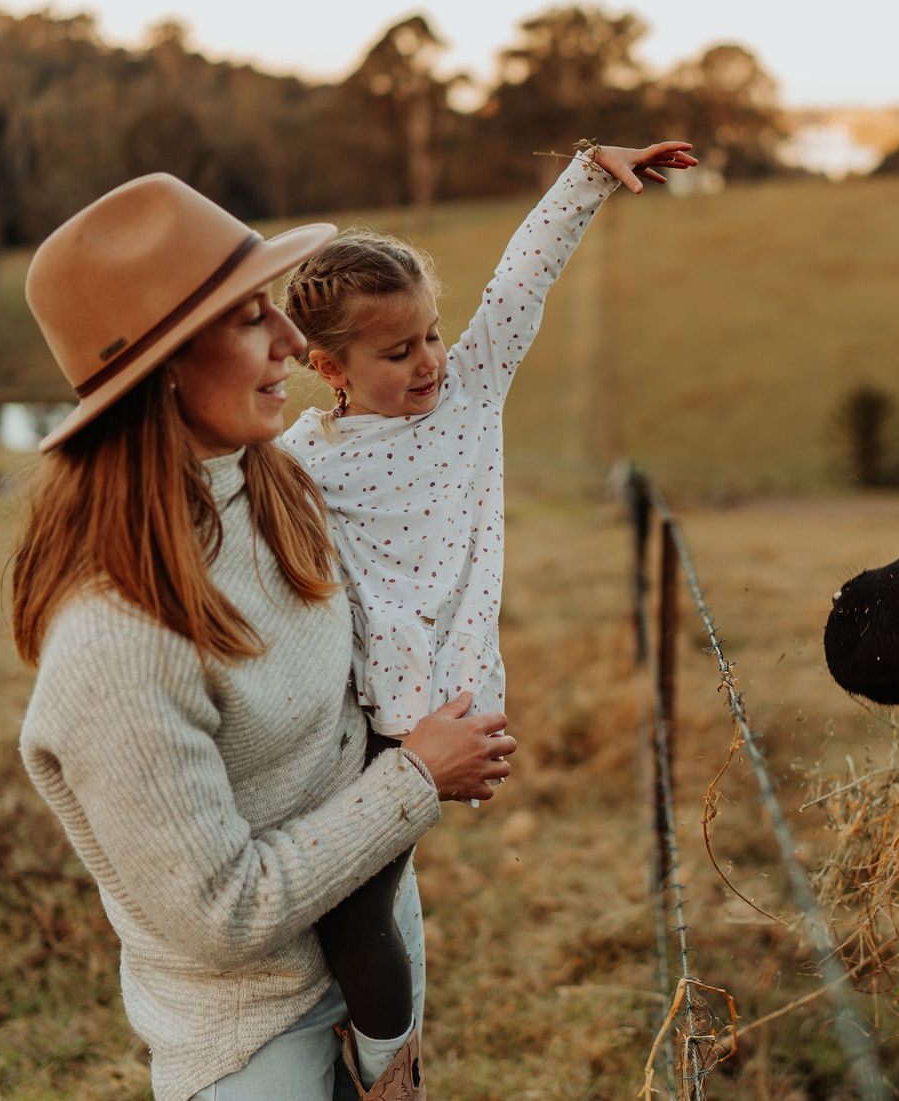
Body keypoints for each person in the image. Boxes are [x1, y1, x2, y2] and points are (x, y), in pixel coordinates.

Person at [9, 172, 516, 1101]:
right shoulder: (113, 641)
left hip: (376, 947)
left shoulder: (281, 485)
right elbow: (222, 913)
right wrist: (416, 778)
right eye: (251, 318)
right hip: (255, 1036)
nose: (291, 338)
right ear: (163, 368)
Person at [278, 140, 696, 1089]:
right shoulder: (301, 460)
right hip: (335, 714)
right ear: (328, 365)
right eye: (398, 351)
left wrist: (589, 173)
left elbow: (519, 283)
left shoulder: (468, 394)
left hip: (431, 717)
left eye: (431, 333)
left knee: (351, 915)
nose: (429, 359)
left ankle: (389, 1076)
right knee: (328, 909)